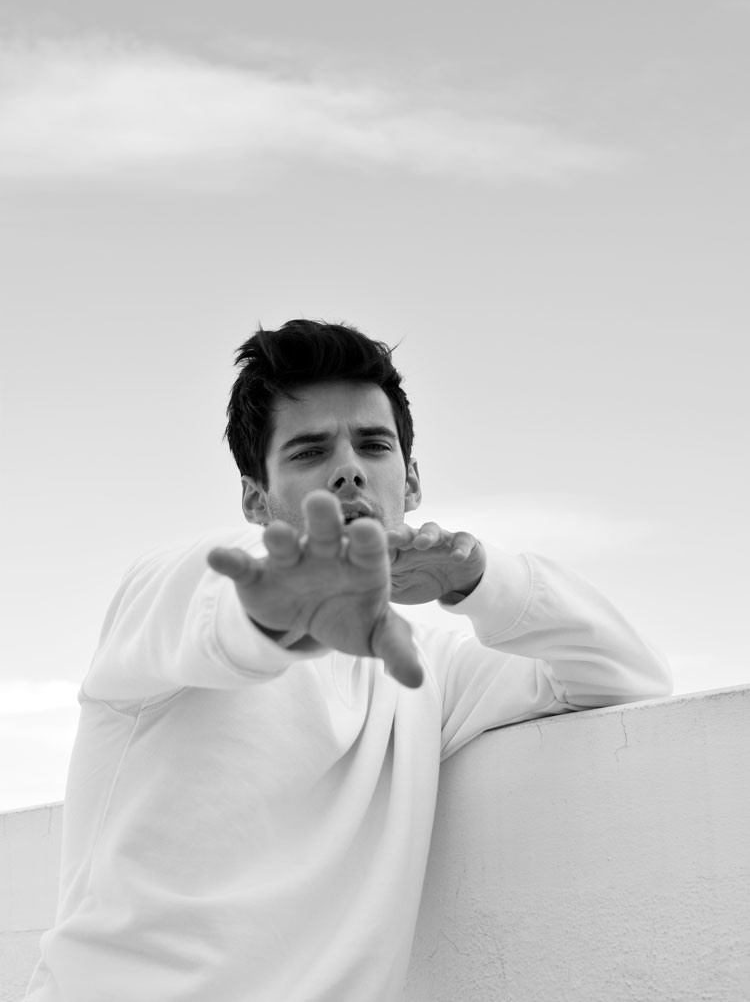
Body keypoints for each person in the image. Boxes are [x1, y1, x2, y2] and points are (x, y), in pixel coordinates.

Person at [25, 319, 673, 1002]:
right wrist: (289, 600)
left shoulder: (424, 669)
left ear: (411, 481)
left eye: (373, 444)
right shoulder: (167, 596)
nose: (349, 469)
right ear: (255, 498)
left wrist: (479, 578)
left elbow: (625, 673)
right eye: (309, 451)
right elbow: (224, 608)